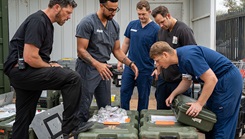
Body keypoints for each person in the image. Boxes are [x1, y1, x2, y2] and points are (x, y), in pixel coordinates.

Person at [3, 0, 94, 139]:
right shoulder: (38, 21)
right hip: (24, 71)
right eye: (68, 12)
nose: (69, 17)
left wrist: (49, 63)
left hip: (23, 73)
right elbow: (30, 57)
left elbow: (35, 56)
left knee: (24, 118)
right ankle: (71, 127)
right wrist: (50, 66)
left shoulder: (46, 24)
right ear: (57, 7)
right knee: (73, 78)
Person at [150, 41, 243, 139]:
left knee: (222, 121)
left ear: (165, 54)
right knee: (210, 120)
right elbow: (186, 81)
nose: (157, 64)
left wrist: (199, 104)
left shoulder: (188, 57)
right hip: (216, 82)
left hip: (227, 80)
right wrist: (173, 94)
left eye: (157, 60)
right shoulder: (180, 59)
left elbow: (211, 79)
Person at [75, 0, 138, 123]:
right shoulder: (87, 23)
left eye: (116, 9)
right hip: (87, 68)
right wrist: (97, 65)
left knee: (106, 108)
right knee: (83, 105)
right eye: (110, 9)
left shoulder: (114, 26)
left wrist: (130, 63)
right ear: (101, 6)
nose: (113, 13)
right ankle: (79, 133)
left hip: (105, 69)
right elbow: (81, 50)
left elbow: (117, 50)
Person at [151, 5, 197, 110]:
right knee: (161, 110)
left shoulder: (184, 30)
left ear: (168, 15)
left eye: (162, 22)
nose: (161, 25)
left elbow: (193, 55)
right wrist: (158, 70)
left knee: (179, 111)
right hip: (164, 78)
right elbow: (159, 52)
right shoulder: (161, 31)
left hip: (179, 80)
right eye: (158, 23)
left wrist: (189, 78)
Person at [117, 0, 159, 112]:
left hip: (146, 69)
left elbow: (159, 51)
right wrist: (121, 60)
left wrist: (157, 67)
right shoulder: (132, 25)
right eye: (139, 14)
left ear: (149, 12)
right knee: (124, 92)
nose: (141, 16)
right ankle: (125, 115)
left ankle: (141, 121)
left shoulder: (156, 29)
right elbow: (126, 43)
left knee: (143, 97)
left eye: (143, 14)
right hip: (130, 67)